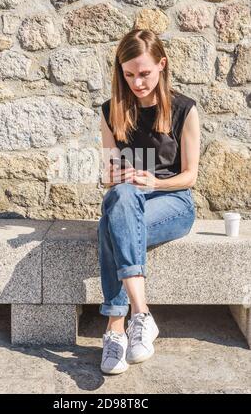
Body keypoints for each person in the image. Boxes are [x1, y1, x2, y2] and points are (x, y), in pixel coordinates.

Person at [98, 28, 200, 375]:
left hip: (174, 201)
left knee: (111, 226)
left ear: (161, 65)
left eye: (144, 73)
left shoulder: (184, 109)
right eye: (129, 75)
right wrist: (122, 176)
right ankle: (140, 315)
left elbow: (190, 176)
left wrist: (154, 180)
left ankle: (114, 326)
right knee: (120, 198)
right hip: (128, 199)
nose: (137, 82)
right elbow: (108, 176)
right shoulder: (111, 110)